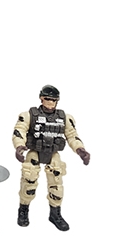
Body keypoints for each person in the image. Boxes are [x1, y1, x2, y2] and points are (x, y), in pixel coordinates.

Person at [11, 85, 91, 231]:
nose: (50, 102)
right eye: (47, 99)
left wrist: (80, 150)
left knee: (56, 184)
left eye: (53, 100)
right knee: (29, 181)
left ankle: (55, 214)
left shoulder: (64, 118)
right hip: (34, 152)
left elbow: (72, 135)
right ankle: (23, 210)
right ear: (41, 99)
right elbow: (19, 131)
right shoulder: (29, 115)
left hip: (53, 153)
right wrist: (19, 146)